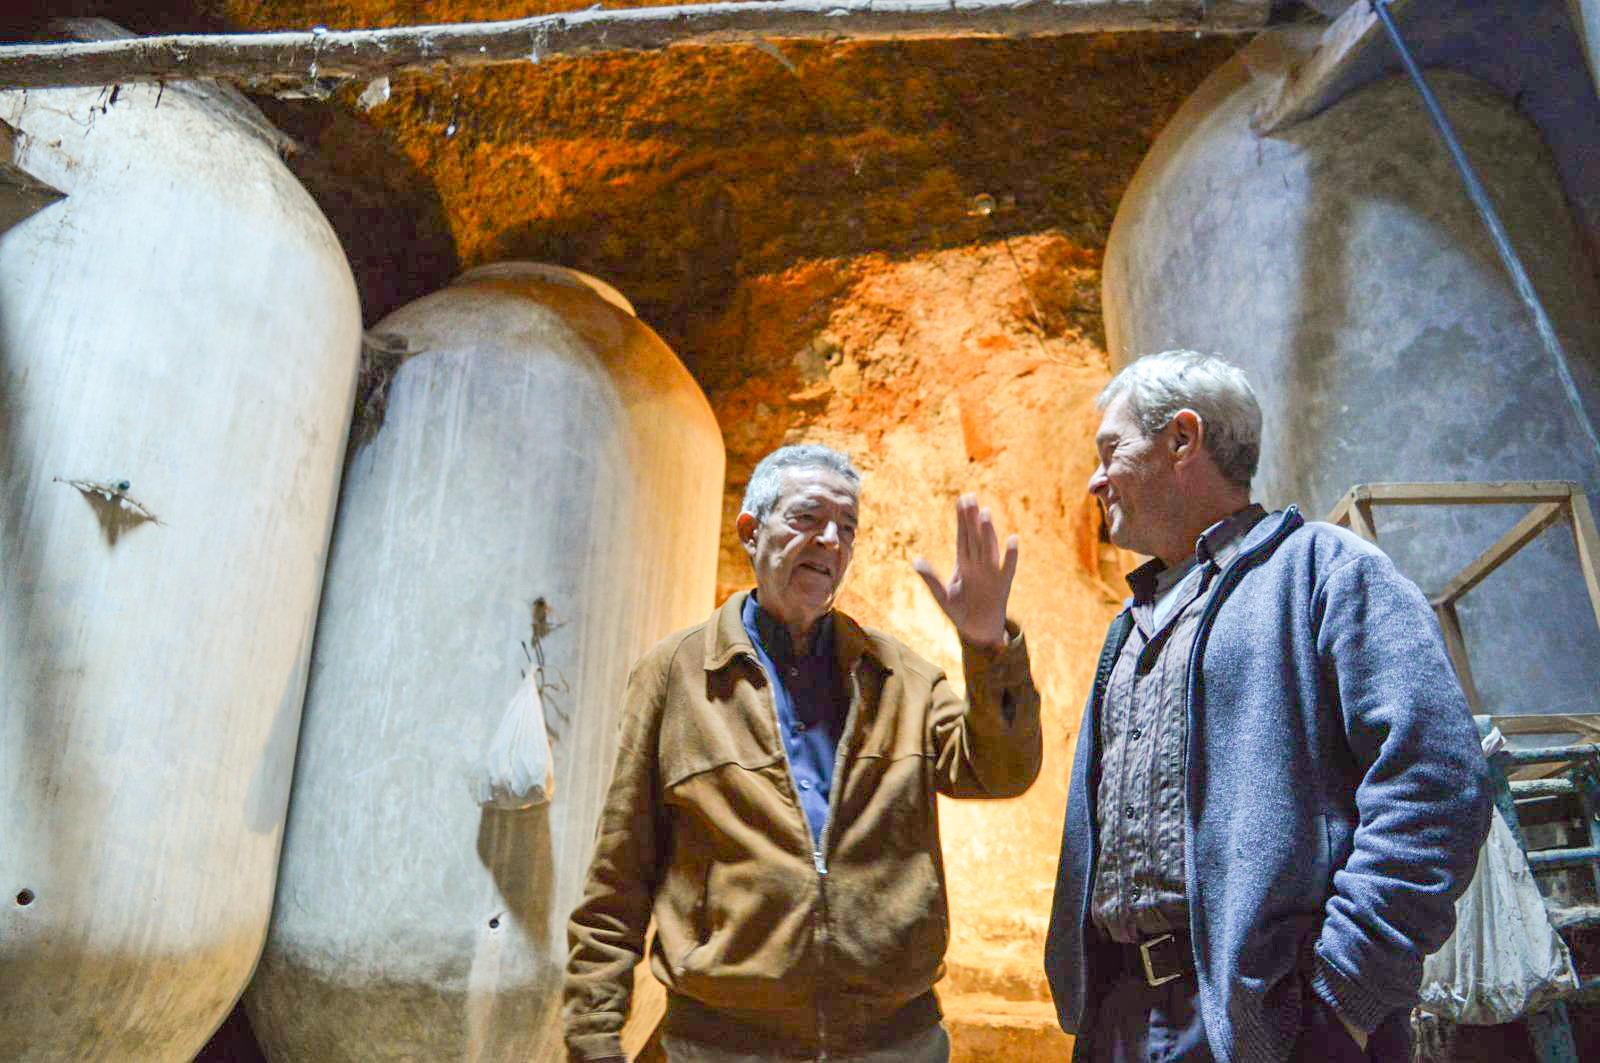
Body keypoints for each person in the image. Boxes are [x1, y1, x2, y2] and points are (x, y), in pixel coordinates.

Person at [1045, 351, 1492, 1062]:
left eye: (1111, 450)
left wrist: (1345, 996)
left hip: (1275, 1020)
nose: (1096, 480)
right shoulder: (1129, 625)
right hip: (1121, 1020)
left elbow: (1436, 779)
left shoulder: (1328, 570)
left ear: (1182, 438)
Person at [564, 443, 1042, 1063]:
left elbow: (1001, 772)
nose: (831, 541)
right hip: (720, 1044)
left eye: (847, 528)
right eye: (807, 518)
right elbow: (618, 876)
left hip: (892, 1042)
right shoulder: (675, 675)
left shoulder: (901, 678)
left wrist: (989, 649)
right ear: (750, 530)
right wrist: (593, 1040)